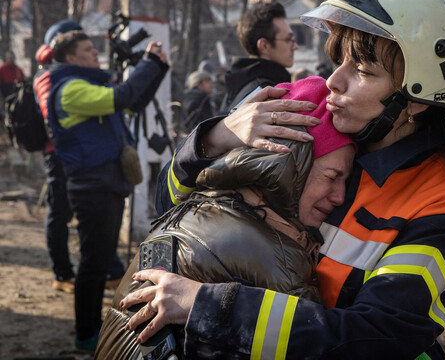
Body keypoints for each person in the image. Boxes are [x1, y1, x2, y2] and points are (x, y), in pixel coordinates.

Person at [122, 0, 445, 359]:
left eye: (363, 70)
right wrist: (214, 138)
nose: (334, 80)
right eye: (340, 60)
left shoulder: (441, 210)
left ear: (416, 100)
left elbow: (374, 339)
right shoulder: (321, 132)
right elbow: (170, 212)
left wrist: (210, 306)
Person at [95, 76, 355, 359]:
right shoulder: (277, 260)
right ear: (290, 165)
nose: (339, 196)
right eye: (331, 177)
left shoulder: (205, 201)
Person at [46, 29, 169, 352]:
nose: (96, 53)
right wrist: (149, 62)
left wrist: (156, 67)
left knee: (98, 262)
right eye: (88, 49)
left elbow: (133, 101)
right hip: (92, 186)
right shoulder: (70, 89)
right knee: (93, 263)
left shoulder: (88, 87)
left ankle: (90, 331)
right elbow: (121, 98)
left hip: (105, 184)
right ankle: (86, 334)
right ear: (70, 57)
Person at [34, 20, 125, 294]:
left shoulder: (60, 73)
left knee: (84, 218)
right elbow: (59, 116)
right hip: (62, 153)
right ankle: (63, 273)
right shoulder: (52, 77)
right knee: (60, 212)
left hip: (70, 152)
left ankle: (111, 270)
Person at [219, 2, 298, 113]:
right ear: (264, 46)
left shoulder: (238, 86)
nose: (295, 47)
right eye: (288, 39)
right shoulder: (264, 93)